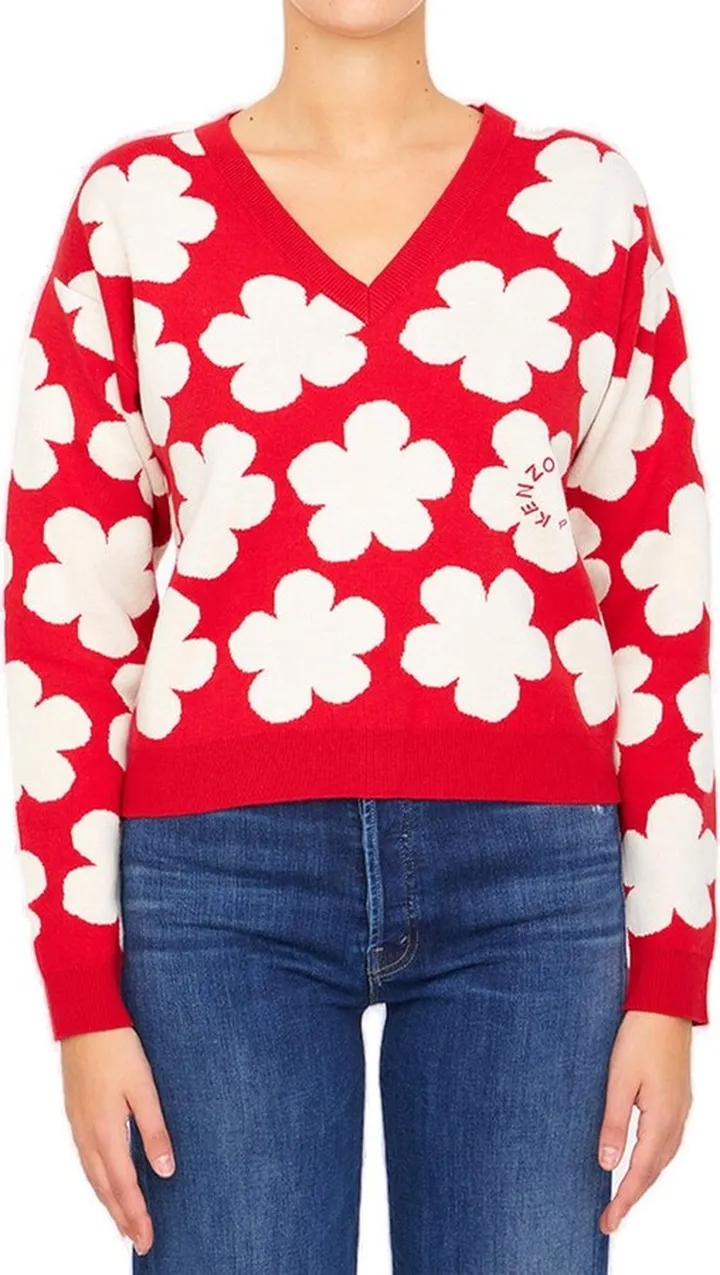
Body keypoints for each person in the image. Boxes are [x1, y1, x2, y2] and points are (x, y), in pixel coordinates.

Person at [3, 1, 717, 1271]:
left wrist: (672, 972)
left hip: (532, 888)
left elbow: (661, 590)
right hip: (219, 889)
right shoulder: (135, 211)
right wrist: (78, 990)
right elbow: (67, 611)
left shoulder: (587, 200)